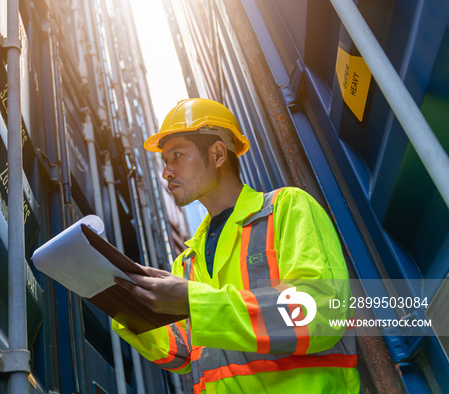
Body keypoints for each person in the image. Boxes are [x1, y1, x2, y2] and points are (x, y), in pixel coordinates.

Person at [112, 98, 360, 393]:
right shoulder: (187, 262)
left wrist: (194, 302)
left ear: (217, 153)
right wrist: (123, 307)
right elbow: (180, 355)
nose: (166, 171)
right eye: (165, 161)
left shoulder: (286, 208)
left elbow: (321, 311)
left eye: (177, 155)